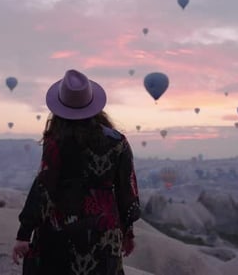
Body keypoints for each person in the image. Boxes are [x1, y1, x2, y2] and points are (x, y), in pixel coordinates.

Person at [12, 69, 141, 275]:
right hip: (105, 230)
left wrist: (24, 233)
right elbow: (127, 189)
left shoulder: (57, 141)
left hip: (61, 230)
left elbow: (44, 187)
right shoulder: (117, 142)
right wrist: (128, 232)